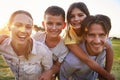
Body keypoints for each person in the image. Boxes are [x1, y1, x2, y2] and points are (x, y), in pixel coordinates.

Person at [62, 2, 114, 79]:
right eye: (72, 16)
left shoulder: (93, 29)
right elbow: (87, 60)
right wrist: (107, 75)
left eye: (80, 15)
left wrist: (106, 72)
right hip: (78, 63)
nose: (76, 19)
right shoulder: (68, 36)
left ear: (88, 16)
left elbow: (109, 48)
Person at [0, 10, 53, 80]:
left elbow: (50, 74)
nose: (23, 30)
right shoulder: (2, 47)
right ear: (9, 27)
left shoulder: (42, 51)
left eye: (28, 27)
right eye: (18, 25)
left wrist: (50, 72)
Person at [33, 6, 68, 80]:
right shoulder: (36, 37)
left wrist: (50, 72)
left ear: (64, 25)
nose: (54, 28)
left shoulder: (64, 46)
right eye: (49, 23)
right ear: (43, 24)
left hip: (50, 73)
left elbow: (57, 65)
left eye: (58, 24)